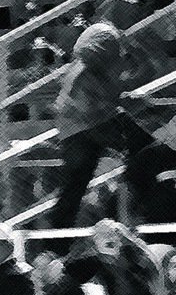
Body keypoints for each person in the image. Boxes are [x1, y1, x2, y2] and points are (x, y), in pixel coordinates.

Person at [51, 21, 151, 227]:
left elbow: (143, 73)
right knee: (145, 150)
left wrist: (125, 97)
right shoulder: (81, 73)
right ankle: (57, 238)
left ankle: (123, 205)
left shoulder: (99, 70)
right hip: (83, 131)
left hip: (86, 130)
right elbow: (89, 111)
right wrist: (122, 102)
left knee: (76, 184)